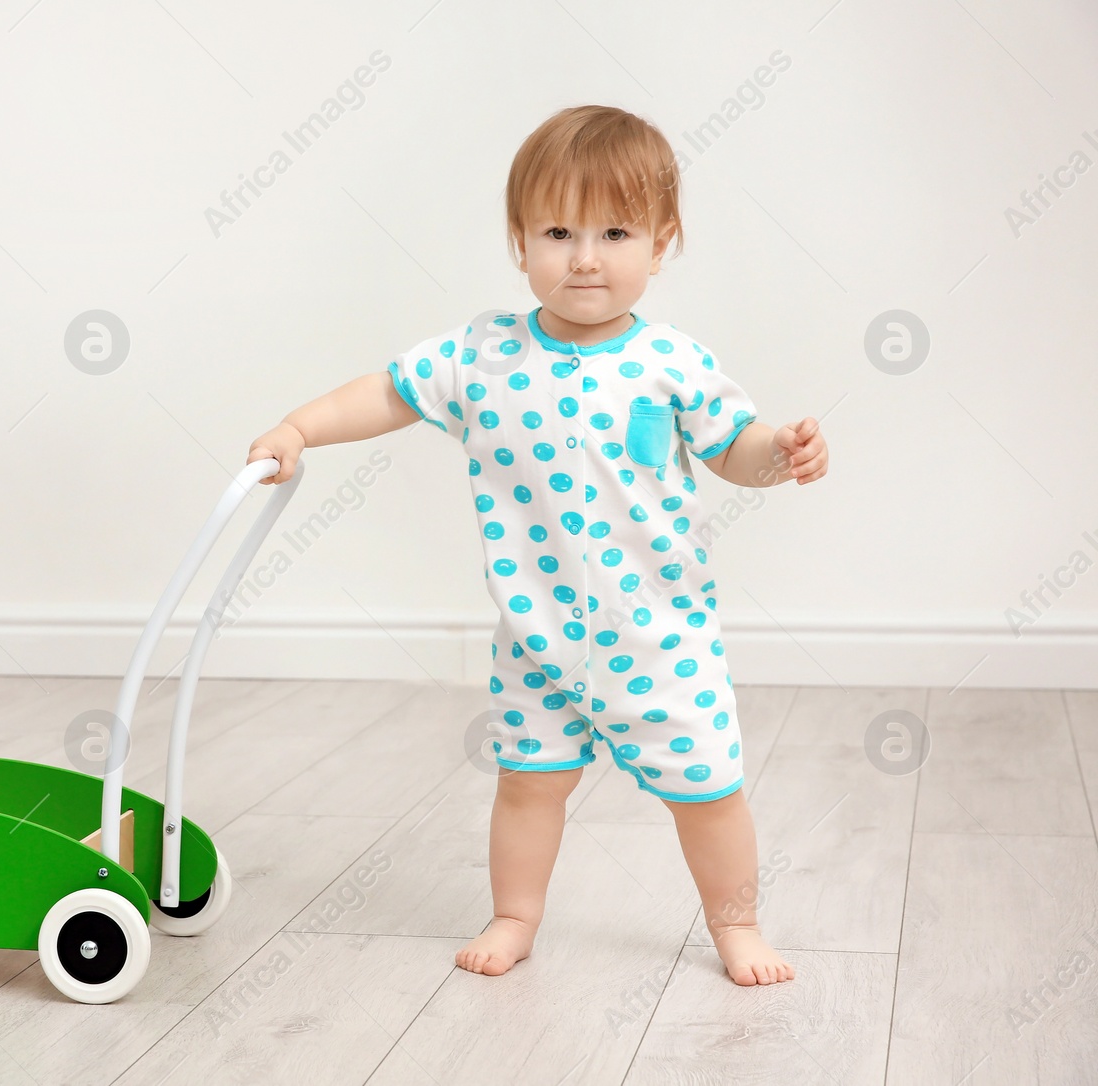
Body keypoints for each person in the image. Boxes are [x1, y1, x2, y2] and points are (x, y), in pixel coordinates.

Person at [247, 104, 827, 985]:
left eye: (615, 231)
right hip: (537, 643)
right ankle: (514, 914)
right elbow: (388, 392)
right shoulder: (482, 356)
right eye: (558, 231)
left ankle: (738, 927)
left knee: (708, 793)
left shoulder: (673, 364)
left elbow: (733, 447)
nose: (585, 256)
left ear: (661, 243)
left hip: (660, 642)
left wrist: (779, 456)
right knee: (528, 784)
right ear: (520, 242)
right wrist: (299, 427)